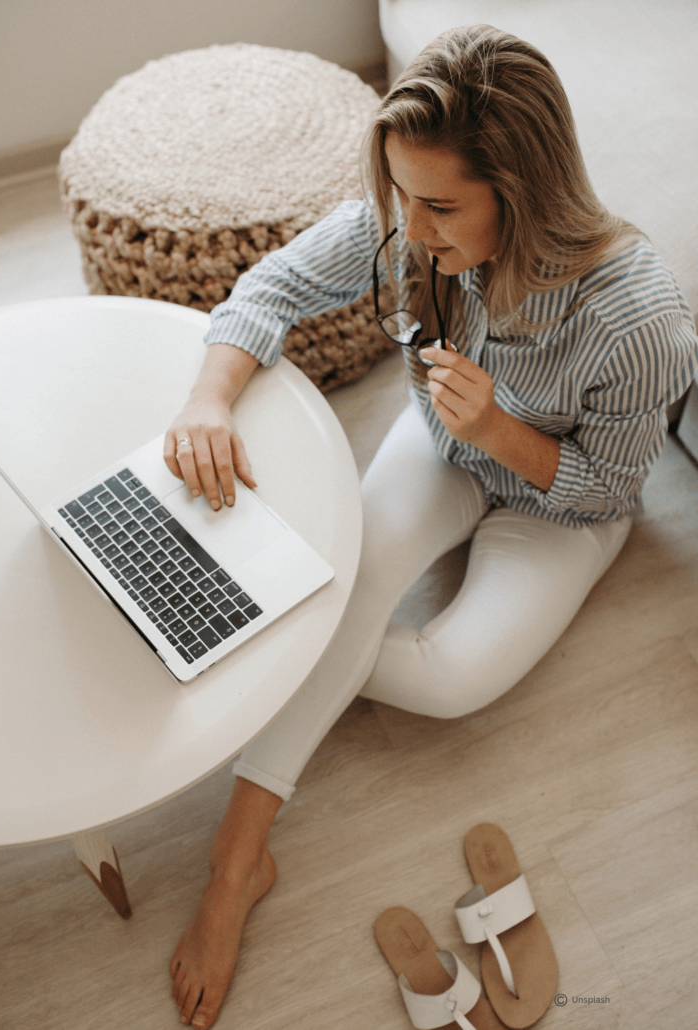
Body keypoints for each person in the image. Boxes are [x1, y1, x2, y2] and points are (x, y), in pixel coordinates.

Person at [164, 25, 698, 1028]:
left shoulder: (639, 323)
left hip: (557, 506)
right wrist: (205, 397)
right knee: (343, 592)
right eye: (400, 195)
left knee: (441, 675)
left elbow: (608, 492)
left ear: (522, 192)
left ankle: (280, 624)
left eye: (440, 206)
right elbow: (271, 287)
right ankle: (237, 860)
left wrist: (498, 426)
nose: (410, 226)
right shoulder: (407, 221)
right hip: (444, 451)